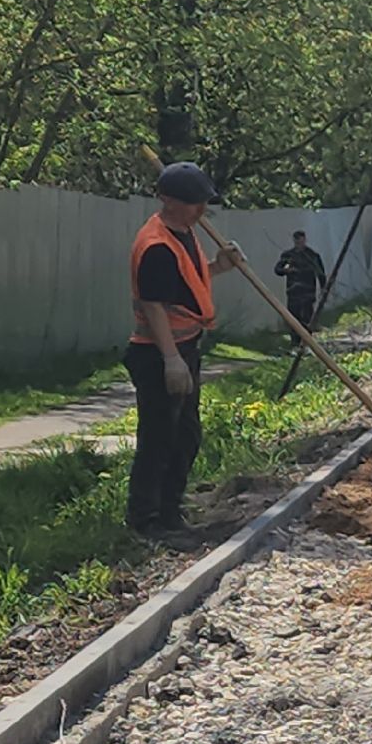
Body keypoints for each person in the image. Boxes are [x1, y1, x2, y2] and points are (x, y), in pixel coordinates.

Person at [126, 162, 242, 541]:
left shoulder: (183, 233)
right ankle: (147, 520)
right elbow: (154, 304)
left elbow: (185, 284)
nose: (202, 210)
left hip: (185, 347)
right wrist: (172, 360)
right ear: (169, 201)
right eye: (195, 203)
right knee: (160, 437)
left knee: (186, 435)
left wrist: (219, 267)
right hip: (160, 354)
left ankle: (170, 511)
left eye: (203, 203)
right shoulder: (156, 245)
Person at [274, 230, 326, 344]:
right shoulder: (288, 255)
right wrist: (285, 270)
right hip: (293, 292)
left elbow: (321, 273)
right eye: (297, 241)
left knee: (307, 318)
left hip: (308, 292)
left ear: (305, 240)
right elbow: (277, 270)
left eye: (301, 241)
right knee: (293, 318)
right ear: (294, 241)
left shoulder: (312, 256)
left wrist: (323, 289)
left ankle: (306, 342)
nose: (299, 243)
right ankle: (295, 343)